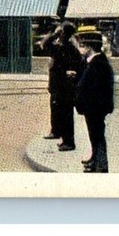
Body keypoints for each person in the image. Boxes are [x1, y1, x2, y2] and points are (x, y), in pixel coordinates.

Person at [74, 26, 114, 173]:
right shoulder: (93, 62)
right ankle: (95, 159)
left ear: (89, 47)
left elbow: (95, 88)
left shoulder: (98, 64)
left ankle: (101, 165)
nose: (79, 48)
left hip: (95, 107)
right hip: (92, 107)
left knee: (97, 136)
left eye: (81, 45)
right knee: (94, 135)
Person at [38, 22, 83, 151]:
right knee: (61, 113)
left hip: (65, 88)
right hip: (58, 86)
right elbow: (45, 45)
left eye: (61, 32)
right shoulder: (62, 47)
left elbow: (45, 44)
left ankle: (69, 142)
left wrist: (54, 34)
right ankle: (63, 137)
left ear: (63, 33)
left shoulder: (68, 48)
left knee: (66, 115)